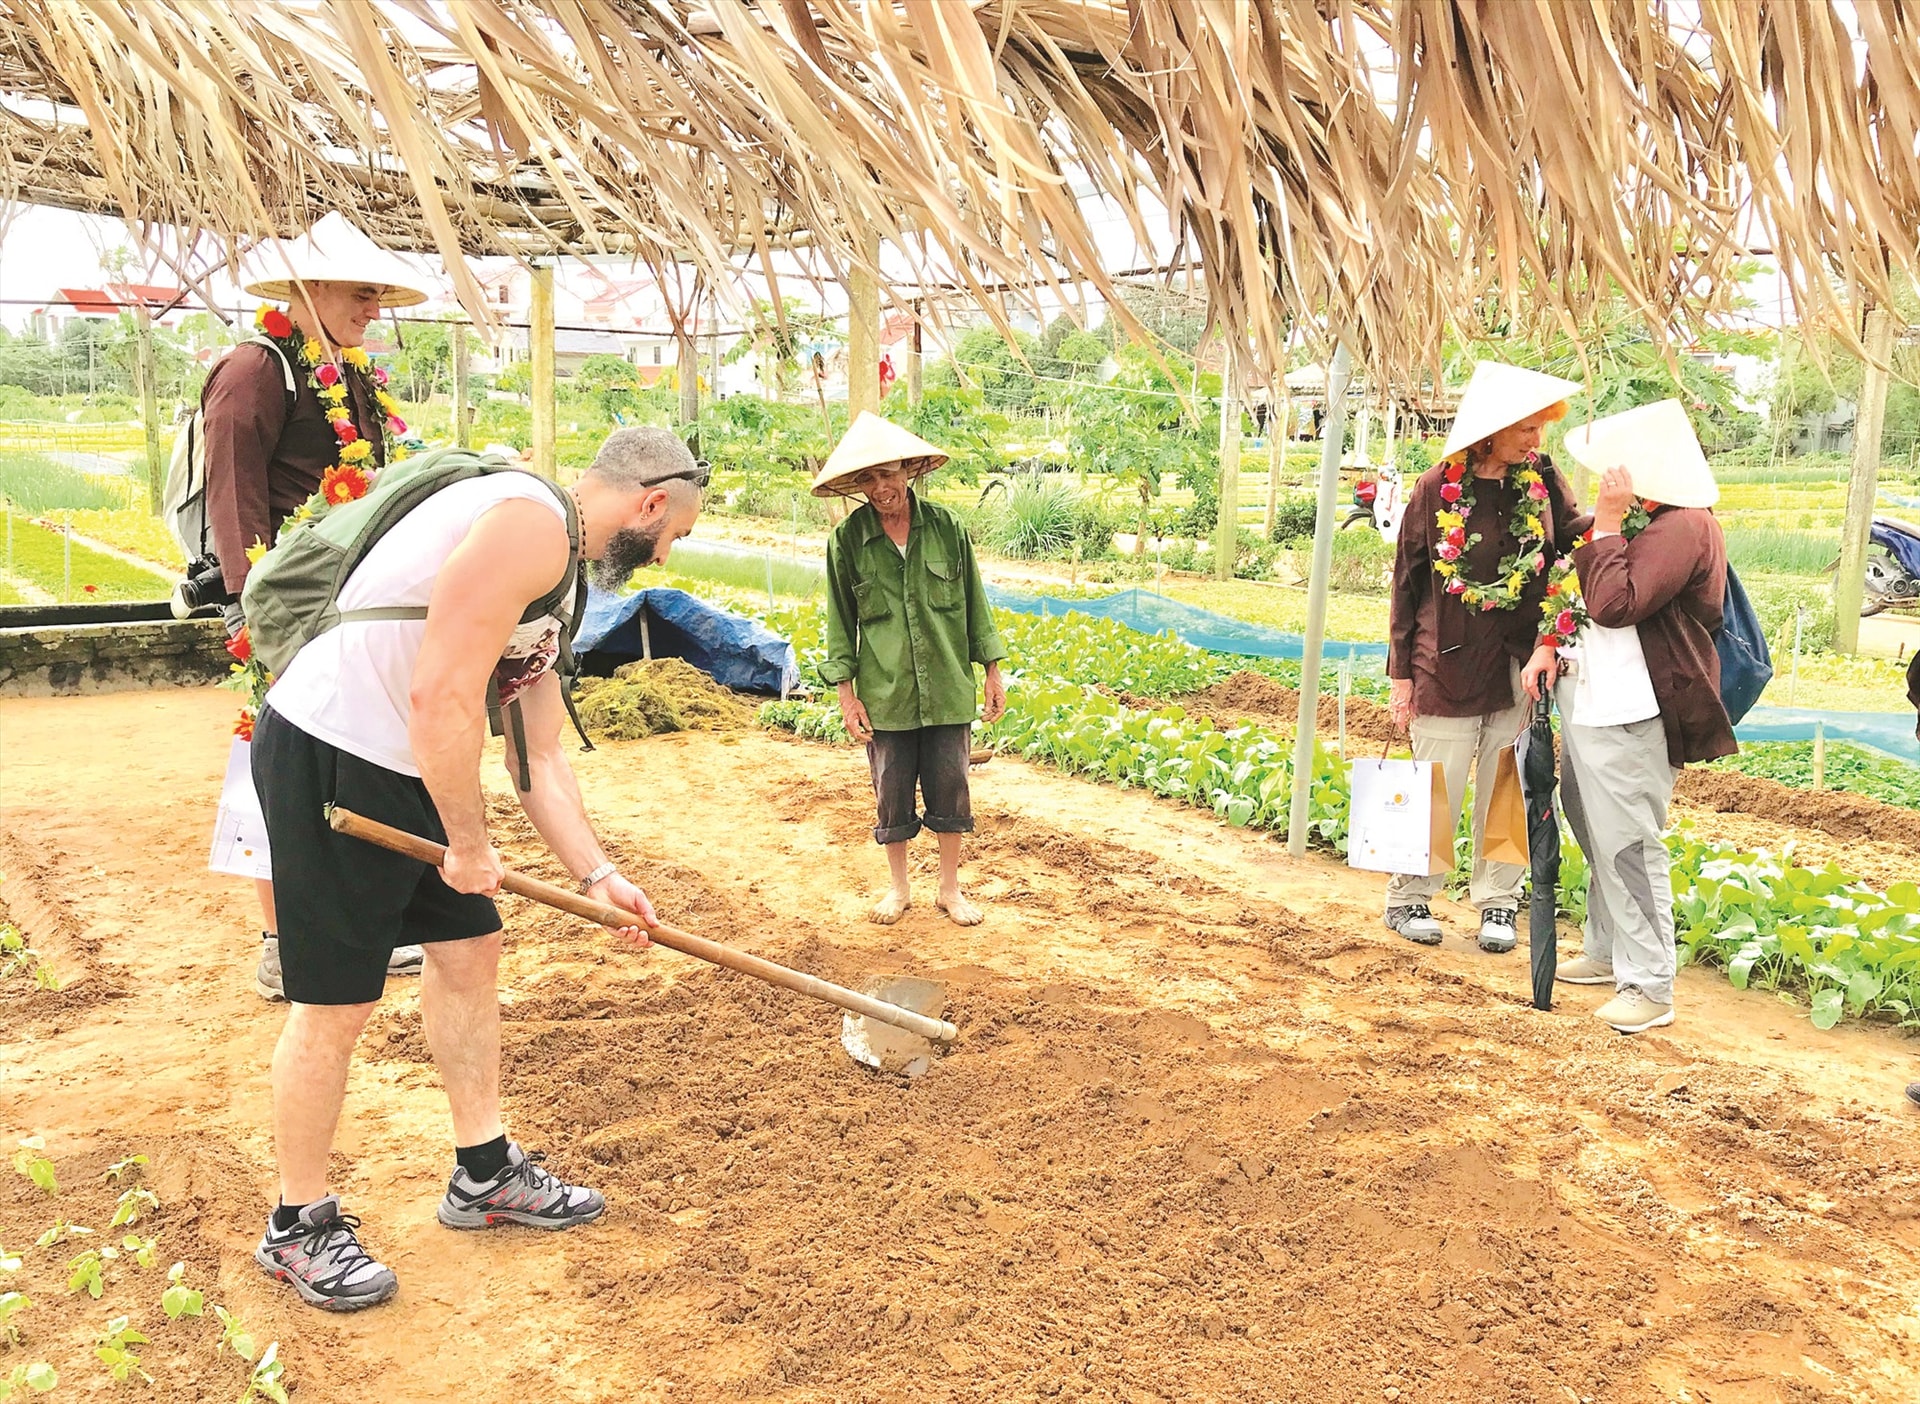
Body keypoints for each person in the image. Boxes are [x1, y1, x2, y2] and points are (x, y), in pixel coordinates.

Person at [249, 427, 706, 1310]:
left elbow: (538, 759)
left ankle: (484, 1174)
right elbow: (441, 694)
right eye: (674, 535)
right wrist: (467, 844)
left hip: (410, 757)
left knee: (469, 953)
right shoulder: (527, 523)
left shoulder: (558, 580)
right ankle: (296, 1225)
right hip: (336, 749)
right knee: (336, 1001)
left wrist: (597, 878)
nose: (663, 555)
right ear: (650, 504)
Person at [206, 212, 432, 1000]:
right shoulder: (254, 370)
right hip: (285, 606)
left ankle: (368, 921)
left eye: (377, 297)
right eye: (363, 294)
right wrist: (246, 607)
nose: (374, 311)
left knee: (352, 753)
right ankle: (279, 942)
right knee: (275, 763)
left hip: (350, 602)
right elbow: (231, 495)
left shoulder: (350, 375)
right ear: (308, 290)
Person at [1531, 399, 1735, 1035]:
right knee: (1595, 829)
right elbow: (1575, 557)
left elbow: (1616, 602)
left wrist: (1612, 520)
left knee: (1630, 845)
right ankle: (1604, 949)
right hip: (1592, 703)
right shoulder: (1643, 518)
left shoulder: (1685, 526)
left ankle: (1649, 983)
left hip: (1633, 711)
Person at [1385, 362, 1586, 952]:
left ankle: (1498, 901)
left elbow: (1573, 536)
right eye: (1526, 429)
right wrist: (1401, 674)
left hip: (1520, 661)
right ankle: (1410, 896)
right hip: (1446, 658)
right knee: (1437, 782)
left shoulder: (1543, 479)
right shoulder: (1434, 488)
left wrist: (1630, 522)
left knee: (1508, 780)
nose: (1536, 440)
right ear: (1492, 432)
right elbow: (1407, 583)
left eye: (1540, 428)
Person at [818, 413, 1008, 926]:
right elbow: (840, 621)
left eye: (890, 473)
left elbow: (975, 603)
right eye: (869, 478)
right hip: (886, 693)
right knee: (891, 792)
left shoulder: (947, 529)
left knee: (951, 786)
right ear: (858, 486)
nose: (882, 487)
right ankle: (898, 889)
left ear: (909, 471)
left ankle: (949, 889)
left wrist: (992, 670)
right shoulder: (847, 542)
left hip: (947, 684)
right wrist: (846, 695)